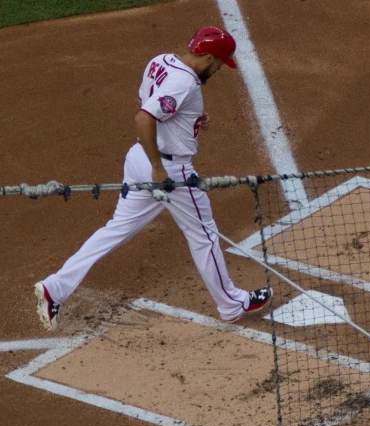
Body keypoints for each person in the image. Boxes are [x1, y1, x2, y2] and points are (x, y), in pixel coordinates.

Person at [34, 26, 272, 331]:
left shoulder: (161, 60)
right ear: (209, 58)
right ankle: (231, 303)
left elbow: (152, 102)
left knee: (116, 228)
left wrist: (193, 119)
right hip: (168, 171)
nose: (218, 70)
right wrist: (158, 168)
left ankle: (54, 288)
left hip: (137, 159)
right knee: (205, 236)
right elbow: (144, 117)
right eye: (219, 64)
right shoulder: (186, 84)